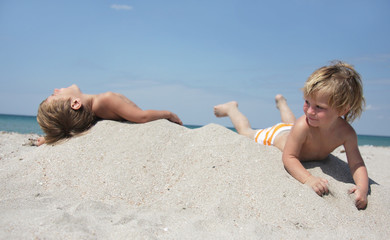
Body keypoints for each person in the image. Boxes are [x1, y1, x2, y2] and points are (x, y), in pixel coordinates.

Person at [214, 61, 368, 209]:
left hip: (292, 129)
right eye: (307, 102)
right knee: (246, 132)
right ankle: (231, 109)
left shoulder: (346, 133)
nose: (309, 111)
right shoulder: (304, 125)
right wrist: (308, 179)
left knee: (292, 124)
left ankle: (282, 104)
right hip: (275, 136)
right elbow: (289, 157)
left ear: (342, 110)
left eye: (319, 107)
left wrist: (362, 187)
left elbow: (356, 164)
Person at [36, 84, 182, 146]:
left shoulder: (91, 114)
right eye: (54, 95)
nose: (56, 89)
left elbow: (70, 129)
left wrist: (48, 138)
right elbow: (141, 116)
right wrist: (168, 114)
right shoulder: (105, 100)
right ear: (75, 104)